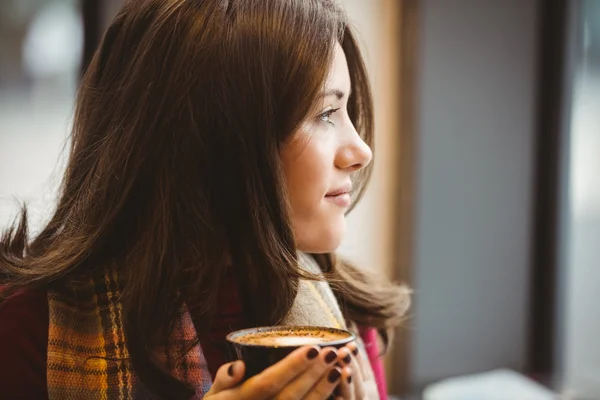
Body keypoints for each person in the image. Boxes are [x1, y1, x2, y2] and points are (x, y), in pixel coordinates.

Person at [0, 0, 410, 399]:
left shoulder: (348, 317)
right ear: (216, 139)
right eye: (325, 114)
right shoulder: (31, 328)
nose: (360, 151)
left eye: (347, 111)